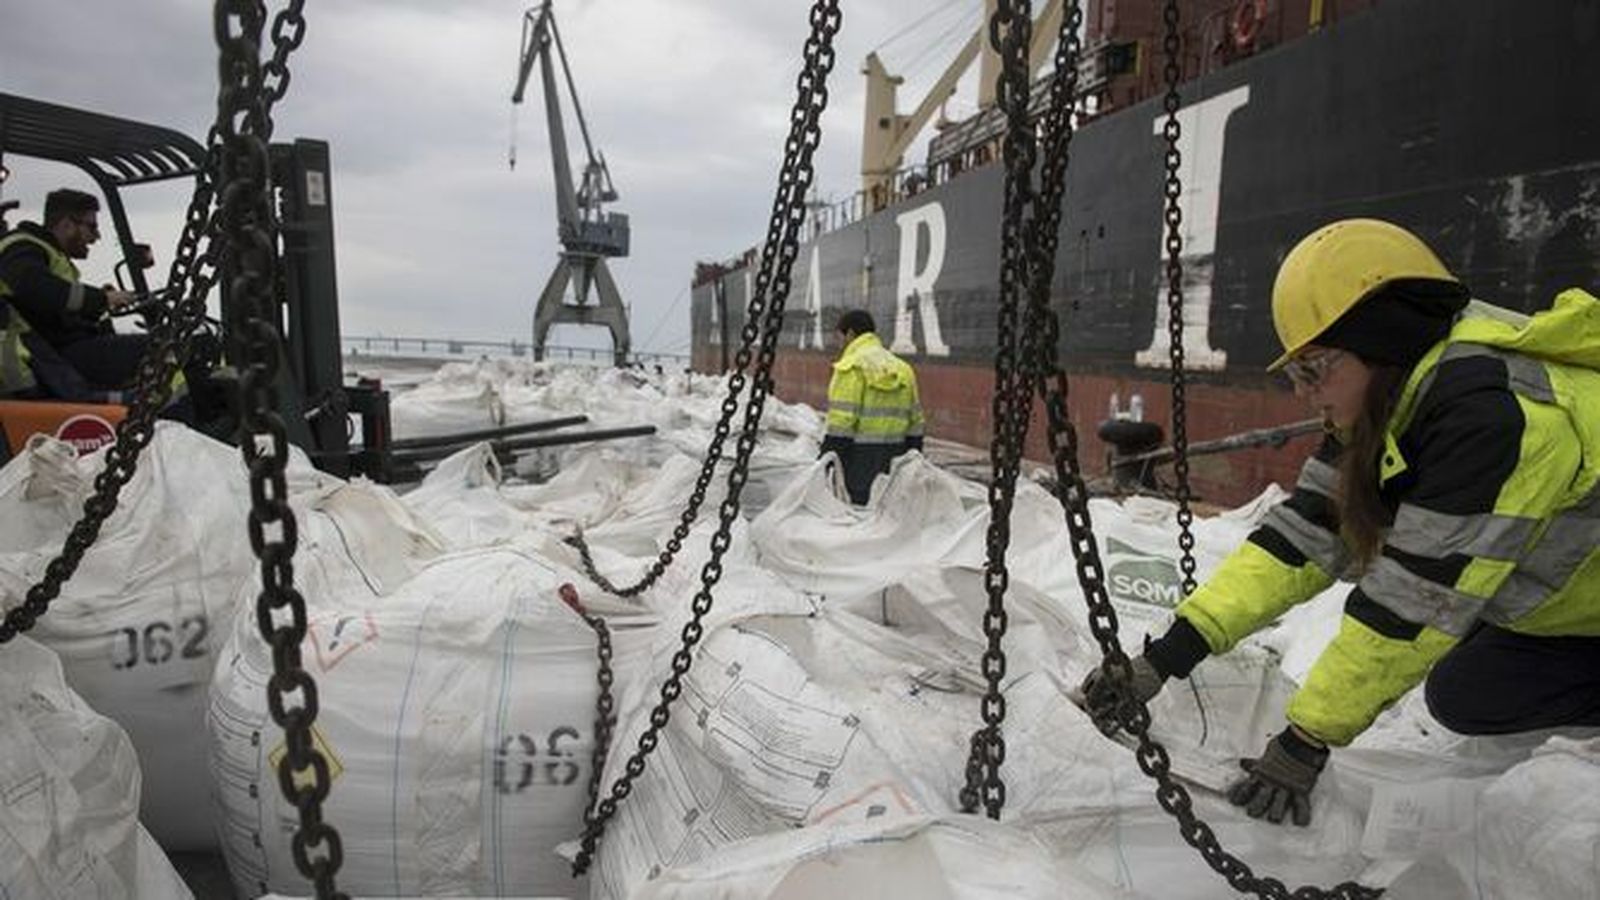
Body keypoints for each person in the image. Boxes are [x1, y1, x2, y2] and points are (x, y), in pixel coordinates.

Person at [1080, 218, 1600, 827]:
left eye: (1314, 370)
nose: (1304, 394)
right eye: (1294, 375)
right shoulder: (1385, 411)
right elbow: (1297, 544)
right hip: (1569, 608)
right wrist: (1164, 657)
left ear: (1381, 345)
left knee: (1459, 679)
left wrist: (1306, 740)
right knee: (1463, 692)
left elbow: (1413, 605)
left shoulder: (1495, 424)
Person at [0, 188, 146, 401]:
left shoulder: (50, 254)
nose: (96, 236)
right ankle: (181, 428)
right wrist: (101, 299)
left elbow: (53, 311)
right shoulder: (21, 247)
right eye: (92, 227)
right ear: (67, 225)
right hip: (51, 359)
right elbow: (38, 290)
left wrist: (98, 305)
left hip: (59, 353)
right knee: (161, 349)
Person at [820, 309, 925, 505]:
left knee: (857, 514)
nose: (839, 343)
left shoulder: (850, 366)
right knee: (889, 511)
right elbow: (916, 420)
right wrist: (914, 455)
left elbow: (842, 423)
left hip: (859, 459)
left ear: (850, 334)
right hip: (896, 456)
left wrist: (825, 462)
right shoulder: (903, 368)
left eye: (839, 336)